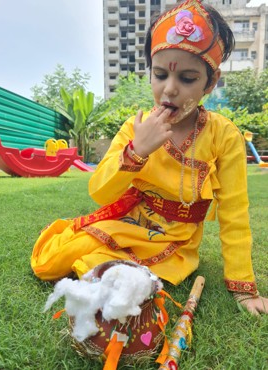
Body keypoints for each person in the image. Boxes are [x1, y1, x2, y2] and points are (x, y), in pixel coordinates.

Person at [31, 0, 268, 315]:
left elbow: (235, 215)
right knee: (51, 262)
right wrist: (137, 151)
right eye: (160, 75)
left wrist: (243, 286)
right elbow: (100, 192)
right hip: (130, 222)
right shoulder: (135, 126)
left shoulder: (224, 136)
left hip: (174, 242)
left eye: (187, 79)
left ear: (210, 81)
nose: (169, 90)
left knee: (108, 272)